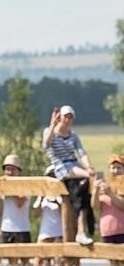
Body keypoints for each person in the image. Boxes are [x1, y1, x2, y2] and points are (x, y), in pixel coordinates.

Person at [42, 105, 96, 245]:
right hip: (61, 166)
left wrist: (89, 167)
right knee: (86, 178)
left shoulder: (73, 135)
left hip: (74, 164)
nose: (67, 120)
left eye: (70, 117)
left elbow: (81, 153)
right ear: (60, 117)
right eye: (65, 116)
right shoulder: (50, 132)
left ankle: (83, 226)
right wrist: (52, 125)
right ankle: (82, 228)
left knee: (86, 185)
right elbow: (46, 145)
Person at [0, 154, 32, 266]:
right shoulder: (3, 187)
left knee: (25, 261)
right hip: (6, 227)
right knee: (11, 262)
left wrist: (8, 189)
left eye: (12, 169)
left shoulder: (25, 185)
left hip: (22, 228)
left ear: (18, 171)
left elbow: (20, 202)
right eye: (7, 169)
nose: (9, 172)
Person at [96, 154, 124, 266]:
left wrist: (110, 193)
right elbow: (96, 207)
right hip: (107, 231)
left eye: (119, 167)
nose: (116, 171)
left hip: (122, 230)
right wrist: (95, 190)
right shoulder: (105, 184)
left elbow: (122, 205)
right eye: (113, 168)